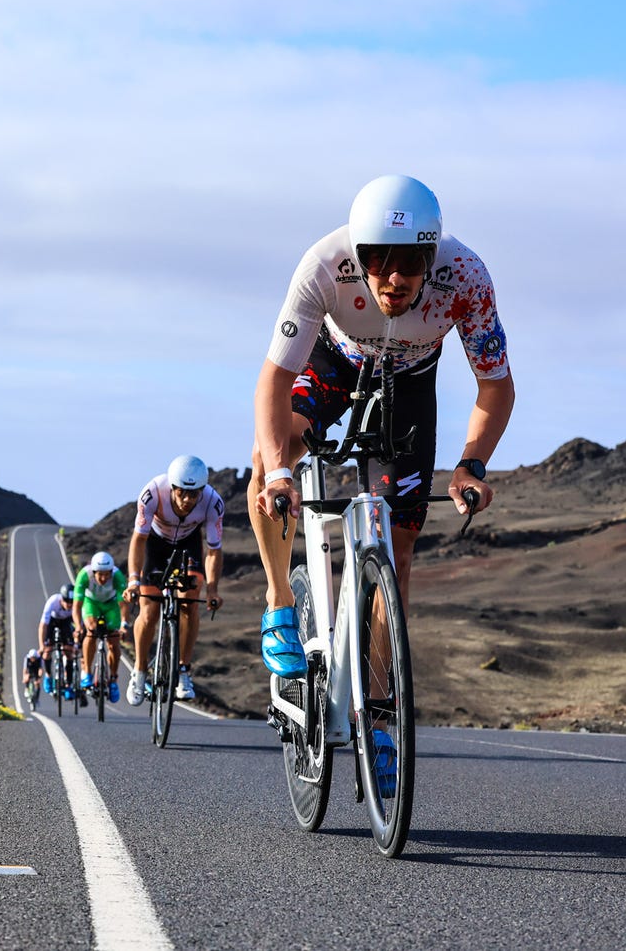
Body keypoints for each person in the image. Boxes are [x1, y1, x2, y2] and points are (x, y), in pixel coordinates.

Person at [249, 174, 514, 786]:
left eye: (412, 263)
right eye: (380, 262)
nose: (395, 278)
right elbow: (271, 381)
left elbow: (495, 385)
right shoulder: (323, 264)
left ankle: (378, 719)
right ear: (360, 256)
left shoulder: (466, 277)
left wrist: (472, 463)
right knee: (269, 453)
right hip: (337, 362)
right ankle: (280, 603)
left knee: (395, 555)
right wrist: (282, 472)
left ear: (433, 255)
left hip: (411, 382)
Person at [122, 454, 224, 706]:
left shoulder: (213, 502)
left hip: (188, 545)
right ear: (173, 488)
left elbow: (213, 550)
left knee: (190, 602)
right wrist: (133, 580)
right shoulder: (153, 492)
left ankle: (183, 671)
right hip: (155, 545)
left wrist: (212, 589)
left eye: (194, 494)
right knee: (149, 612)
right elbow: (138, 540)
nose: (188, 500)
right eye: (182, 494)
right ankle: (139, 672)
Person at [73, 551, 131, 704]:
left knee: (113, 641)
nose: (104, 578)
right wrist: (78, 626)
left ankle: (113, 679)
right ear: (94, 572)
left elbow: (123, 604)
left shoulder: (117, 576)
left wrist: (124, 625)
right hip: (91, 603)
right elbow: (76, 606)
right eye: (100, 575)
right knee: (91, 631)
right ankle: (87, 672)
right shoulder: (84, 575)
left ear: (111, 572)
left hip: (111, 605)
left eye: (107, 575)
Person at [37, 582, 76, 698]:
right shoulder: (53, 601)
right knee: (47, 651)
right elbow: (43, 625)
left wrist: (77, 645)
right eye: (67, 601)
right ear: (61, 599)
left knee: (69, 653)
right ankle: (48, 676)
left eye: (71, 602)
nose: (69, 605)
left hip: (67, 622)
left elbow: (81, 626)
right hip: (52, 622)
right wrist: (41, 646)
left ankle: (69, 684)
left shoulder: (76, 604)